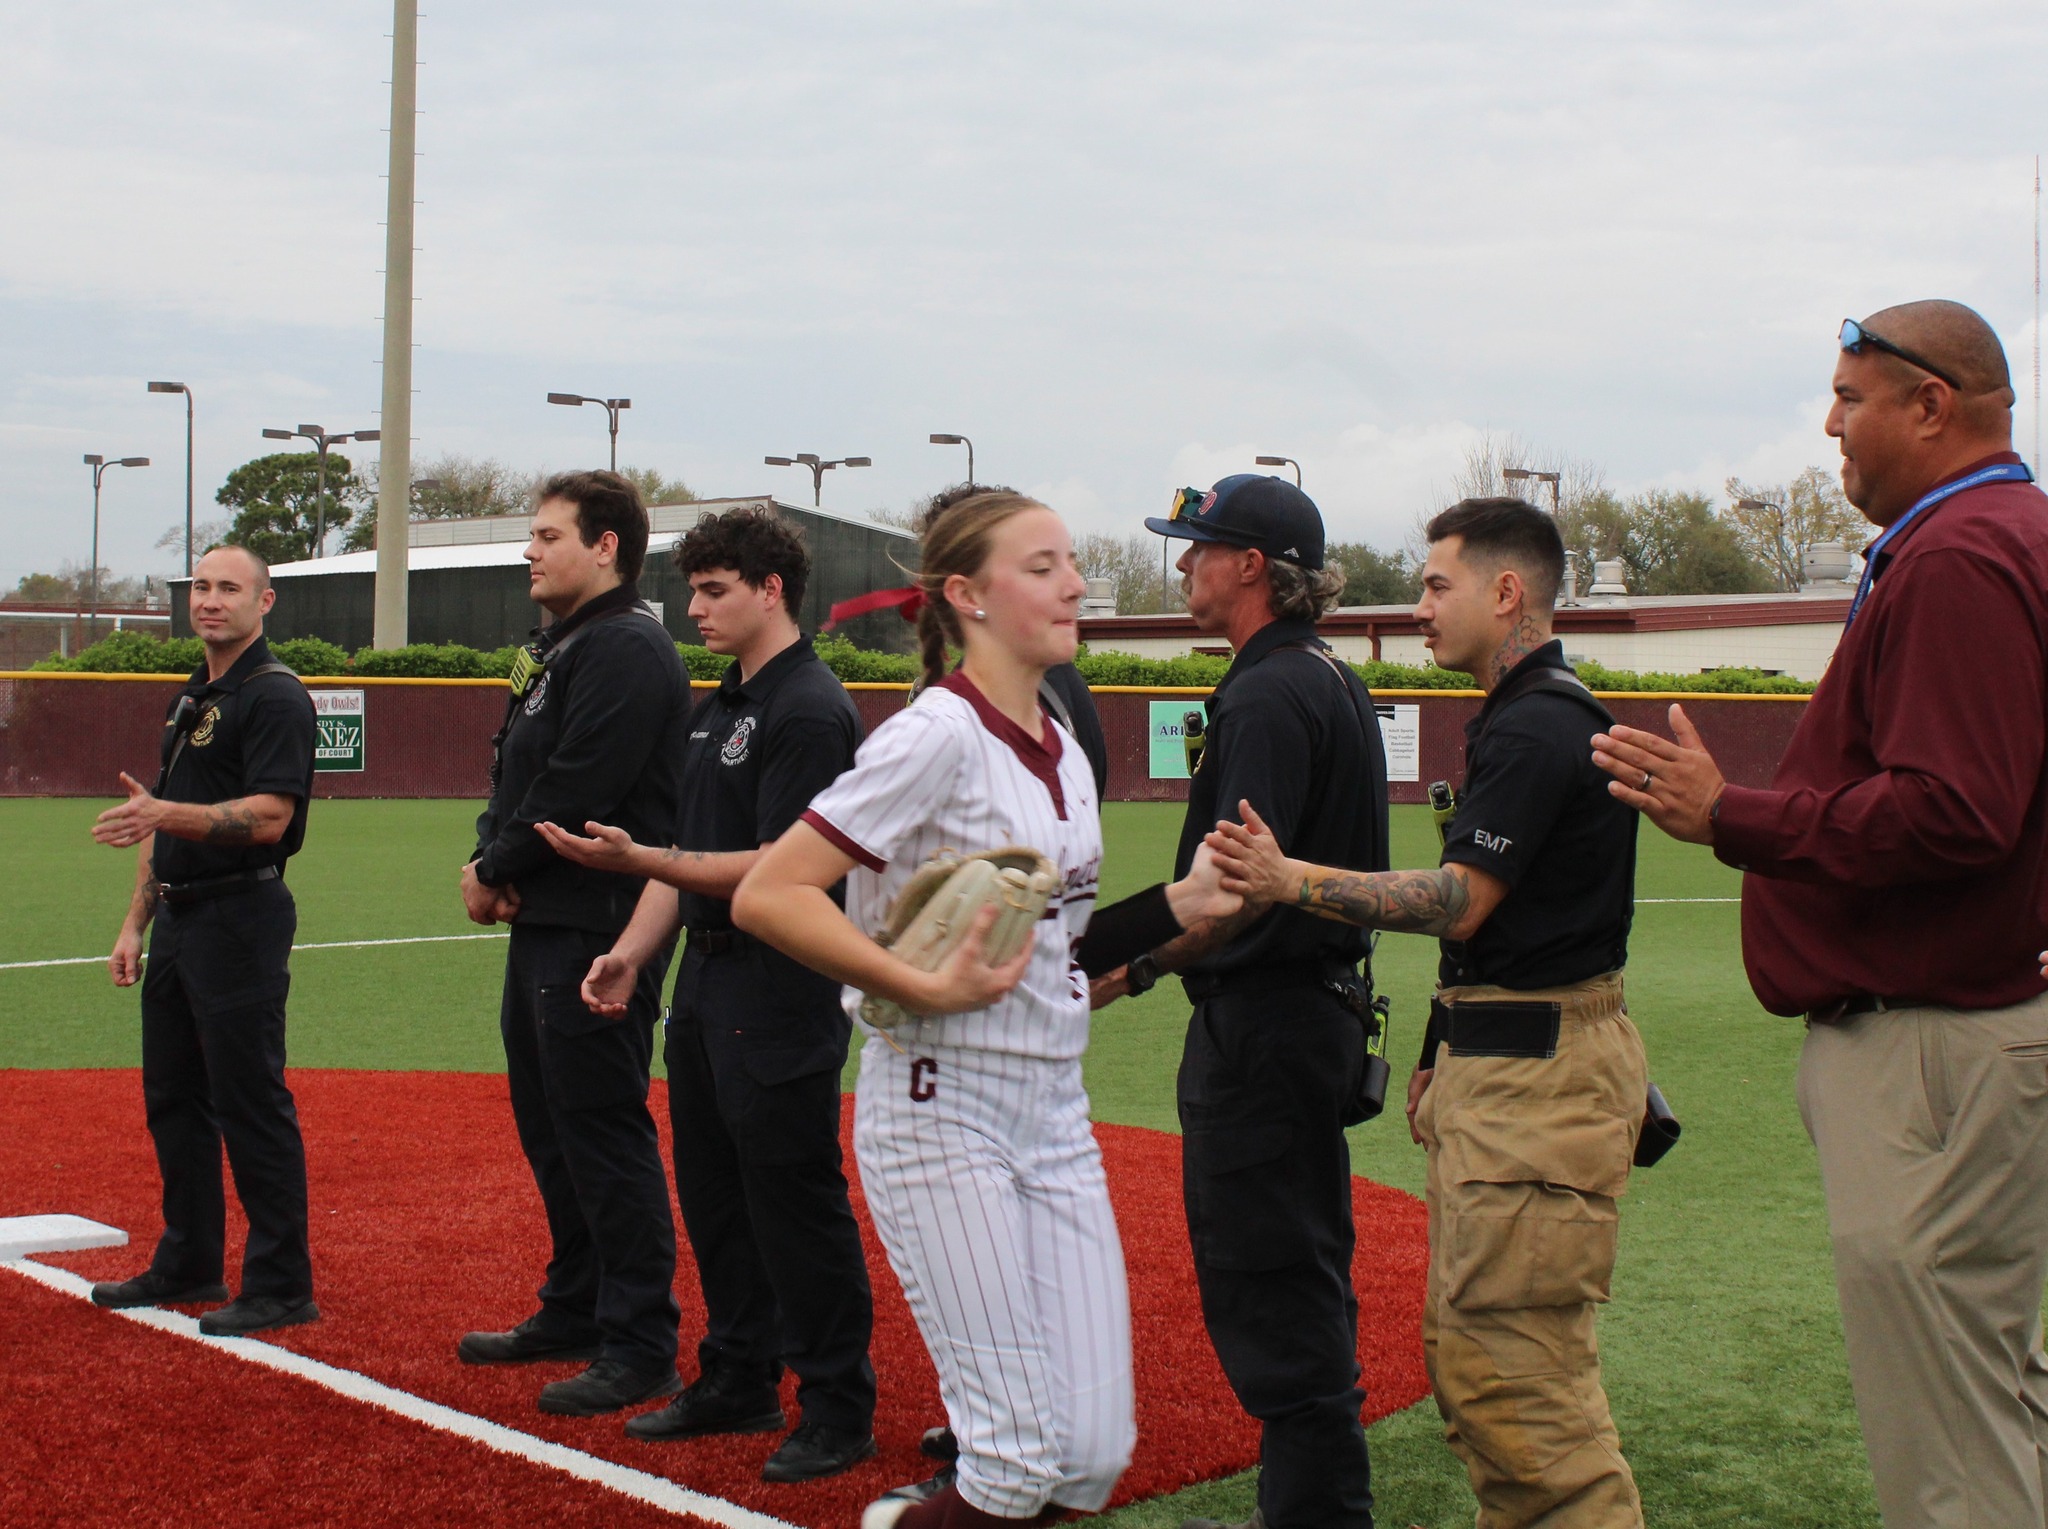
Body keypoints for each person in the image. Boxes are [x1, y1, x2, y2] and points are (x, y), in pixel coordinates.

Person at [1592, 300, 2048, 1529]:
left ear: (1929, 405)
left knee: (1950, 1442)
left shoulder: (1958, 553)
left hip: (1932, 1042)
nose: (1831, 425)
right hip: (1971, 1026)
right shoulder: (1999, 534)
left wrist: (1729, 813)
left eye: (1849, 398)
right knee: (1988, 1395)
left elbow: (1953, 811)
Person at [732, 489, 1240, 1528]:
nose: (1075, 584)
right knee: (1012, 1463)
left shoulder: (1062, 742)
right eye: (1043, 566)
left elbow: (1056, 946)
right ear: (965, 595)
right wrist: (917, 984)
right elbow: (769, 892)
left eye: (1071, 562)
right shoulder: (936, 735)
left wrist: (1178, 907)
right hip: (942, 1104)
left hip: (1053, 1107)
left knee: (1087, 1460)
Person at [1210, 497, 1649, 1529]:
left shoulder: (1538, 722)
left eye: (1436, 584)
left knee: (1520, 1384)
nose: (1417, 606)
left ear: (1507, 593)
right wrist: (1438, 1049)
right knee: (1483, 1365)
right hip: (1510, 1062)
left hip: (1540, 1077)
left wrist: (1288, 879)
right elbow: (1493, 940)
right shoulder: (1523, 711)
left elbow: (1461, 901)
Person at [538, 506, 878, 1479]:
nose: (694, 609)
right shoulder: (716, 706)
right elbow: (684, 856)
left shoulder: (808, 708)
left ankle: (836, 1403)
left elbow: (781, 864)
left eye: (714, 590)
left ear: (772, 591)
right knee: (716, 1194)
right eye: (692, 590)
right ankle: (737, 1373)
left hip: (781, 980)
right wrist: (631, 952)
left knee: (792, 1198)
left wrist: (645, 860)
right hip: (707, 975)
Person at [1095, 473, 1389, 1529]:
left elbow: (1225, 891)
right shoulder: (1324, 673)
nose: (1184, 563)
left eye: (1198, 545)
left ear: (1252, 566)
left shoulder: (1265, 691)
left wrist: (1115, 962)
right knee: (1298, 1270)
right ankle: (1303, 1506)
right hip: (1309, 1014)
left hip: (1267, 1023)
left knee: (1270, 1282)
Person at [457, 470, 693, 1419]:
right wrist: (492, 853)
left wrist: (492, 866)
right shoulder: (562, 644)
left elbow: (576, 782)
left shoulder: (626, 646)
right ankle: (579, 1303)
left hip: (604, 926)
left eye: (548, 535)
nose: (530, 551)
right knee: (552, 1124)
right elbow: (513, 771)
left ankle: (639, 1342)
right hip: (549, 916)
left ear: (606, 546)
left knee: (600, 1127)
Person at [88, 544, 320, 1337]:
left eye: (228, 587)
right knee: (174, 1099)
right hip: (182, 919)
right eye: (201, 586)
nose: (210, 599)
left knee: (249, 1099)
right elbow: (161, 818)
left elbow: (271, 816)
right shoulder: (195, 693)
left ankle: (281, 1283)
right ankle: (189, 1259)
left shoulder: (274, 694)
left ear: (265, 601)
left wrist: (164, 815)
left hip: (240, 916)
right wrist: (135, 922)